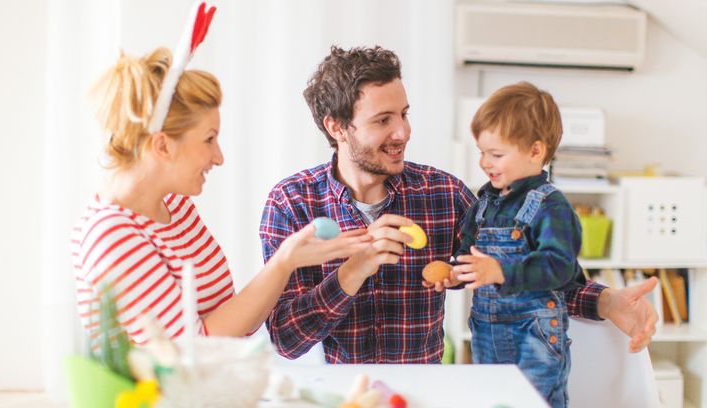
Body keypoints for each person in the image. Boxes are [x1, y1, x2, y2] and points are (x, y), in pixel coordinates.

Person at [259, 45, 657, 364]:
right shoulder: (292, 204)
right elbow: (287, 340)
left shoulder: (444, 194)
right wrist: (355, 269)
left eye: (404, 113)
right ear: (336, 126)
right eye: (383, 120)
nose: (403, 132)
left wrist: (607, 301)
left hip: (425, 394)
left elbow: (523, 271)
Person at [70, 47, 372, 345]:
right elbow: (192, 352)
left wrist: (288, 262)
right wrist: (283, 262)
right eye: (209, 139)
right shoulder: (111, 235)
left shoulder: (175, 206)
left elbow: (233, 322)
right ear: (162, 146)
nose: (219, 157)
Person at [434, 81, 580, 406]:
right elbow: (466, 252)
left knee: (530, 402)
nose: (485, 163)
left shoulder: (550, 205)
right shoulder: (483, 201)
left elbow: (560, 267)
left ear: (535, 151)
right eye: (482, 153)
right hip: (486, 329)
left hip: (535, 333)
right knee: (493, 400)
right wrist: (457, 274)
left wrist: (499, 270)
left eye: (496, 154)